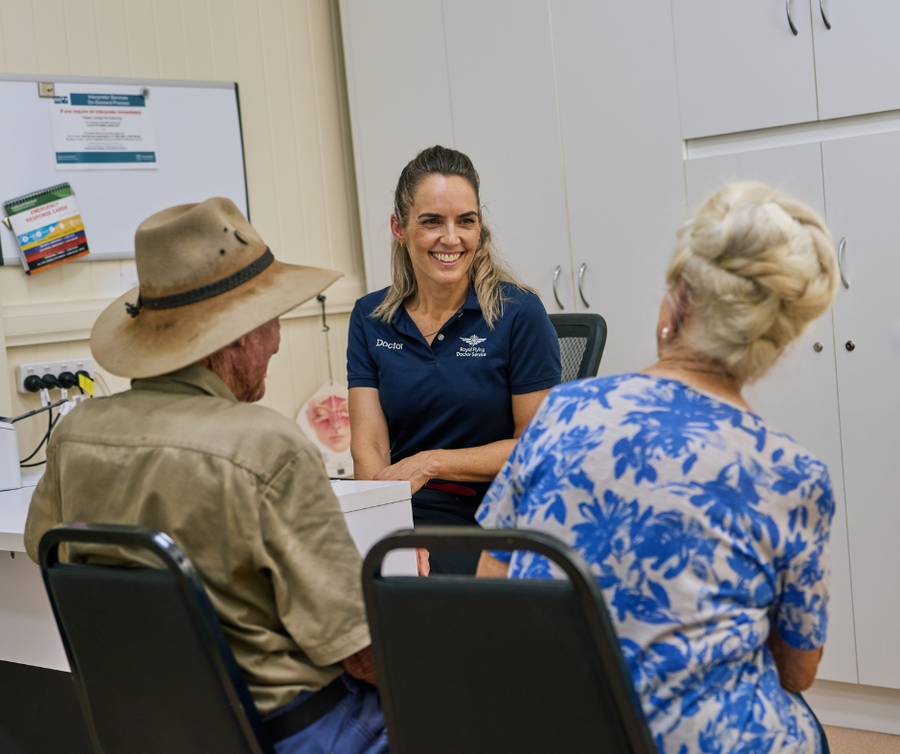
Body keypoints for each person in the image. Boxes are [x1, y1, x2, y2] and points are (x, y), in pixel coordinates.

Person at [476, 183, 839, 754]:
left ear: (678, 301)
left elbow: (489, 590)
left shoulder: (562, 412)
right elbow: (797, 670)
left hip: (553, 729)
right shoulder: (792, 474)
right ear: (776, 342)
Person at [23, 198, 389, 754]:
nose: (277, 339)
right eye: (271, 320)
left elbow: (40, 548)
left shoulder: (75, 434)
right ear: (236, 335)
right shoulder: (266, 447)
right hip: (291, 731)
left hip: (152, 730)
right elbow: (357, 652)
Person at [347, 145, 561, 575]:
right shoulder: (371, 318)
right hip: (408, 513)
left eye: (466, 221)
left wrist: (432, 462)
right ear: (399, 228)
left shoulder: (518, 313)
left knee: (410, 590)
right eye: (432, 221)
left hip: (495, 515)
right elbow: (369, 445)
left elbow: (535, 447)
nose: (451, 238)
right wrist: (390, 531)